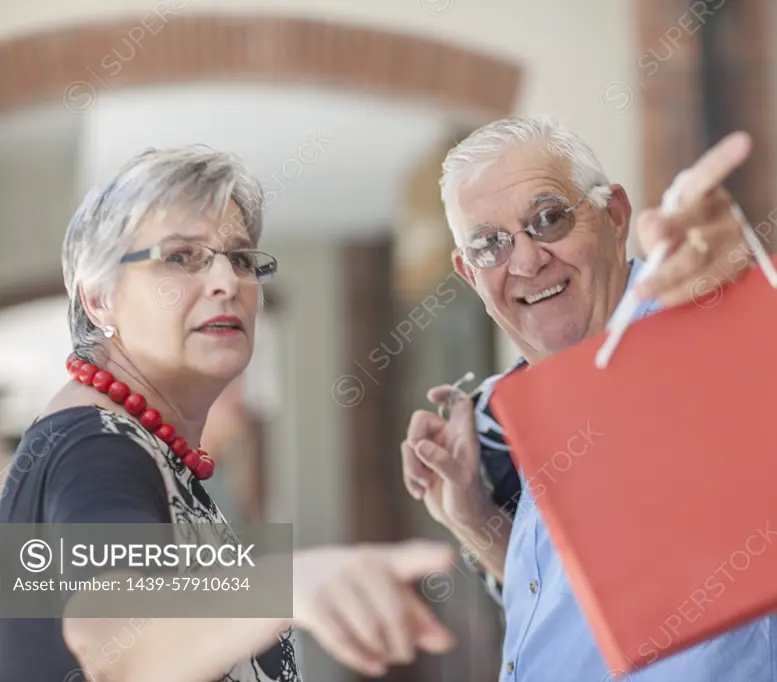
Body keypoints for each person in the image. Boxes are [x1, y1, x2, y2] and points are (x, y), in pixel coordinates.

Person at [401, 116, 777, 681]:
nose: (525, 262)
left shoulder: (698, 346)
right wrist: (472, 516)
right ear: (470, 275)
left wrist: (739, 301)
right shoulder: (534, 406)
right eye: (489, 245)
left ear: (615, 216)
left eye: (548, 219)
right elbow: (585, 617)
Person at [0, 145, 456, 682]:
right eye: (181, 257)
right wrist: (289, 584)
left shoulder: (139, 444)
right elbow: (116, 643)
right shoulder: (98, 446)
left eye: (240, 258)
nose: (226, 282)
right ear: (99, 300)